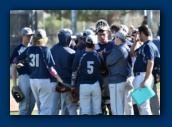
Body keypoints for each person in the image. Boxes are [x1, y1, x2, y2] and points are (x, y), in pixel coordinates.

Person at [13, 29, 63, 115]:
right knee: (46, 108)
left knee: (40, 105)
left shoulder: (29, 49)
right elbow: (51, 69)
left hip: (33, 81)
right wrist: (59, 79)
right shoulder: (46, 50)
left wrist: (18, 64)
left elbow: (15, 60)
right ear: (44, 38)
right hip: (44, 80)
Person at [71, 34, 106, 115]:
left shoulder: (80, 56)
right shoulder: (97, 56)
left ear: (85, 43)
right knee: (97, 111)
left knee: (85, 112)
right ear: (95, 45)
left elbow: (74, 73)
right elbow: (104, 71)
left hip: (84, 85)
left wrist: (73, 85)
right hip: (95, 85)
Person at [130, 25, 160, 115]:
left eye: (139, 33)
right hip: (141, 76)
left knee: (143, 105)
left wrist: (145, 80)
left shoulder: (149, 46)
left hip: (143, 76)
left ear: (142, 33)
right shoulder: (145, 45)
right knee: (141, 105)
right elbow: (132, 53)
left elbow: (150, 63)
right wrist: (135, 41)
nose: (138, 35)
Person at [50, 28, 77, 115]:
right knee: (71, 107)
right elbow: (74, 70)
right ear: (68, 39)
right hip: (67, 83)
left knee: (54, 107)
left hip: (54, 82)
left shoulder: (52, 50)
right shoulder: (72, 52)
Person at [10, 27, 35, 115]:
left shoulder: (34, 48)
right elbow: (13, 66)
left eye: (31, 35)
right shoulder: (17, 49)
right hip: (24, 77)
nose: (30, 37)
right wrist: (14, 84)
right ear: (22, 36)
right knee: (24, 106)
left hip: (35, 78)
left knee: (32, 105)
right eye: (28, 35)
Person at [106, 30, 129, 115]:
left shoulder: (120, 49)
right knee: (119, 107)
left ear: (118, 39)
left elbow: (108, 61)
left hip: (116, 81)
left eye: (115, 37)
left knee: (116, 109)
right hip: (120, 80)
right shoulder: (125, 47)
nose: (114, 39)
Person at [95, 19, 114, 115]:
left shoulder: (113, 44)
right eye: (100, 34)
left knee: (111, 106)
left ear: (108, 33)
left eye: (104, 34)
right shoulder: (95, 46)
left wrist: (104, 55)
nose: (102, 36)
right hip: (99, 78)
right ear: (97, 34)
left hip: (110, 77)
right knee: (101, 106)